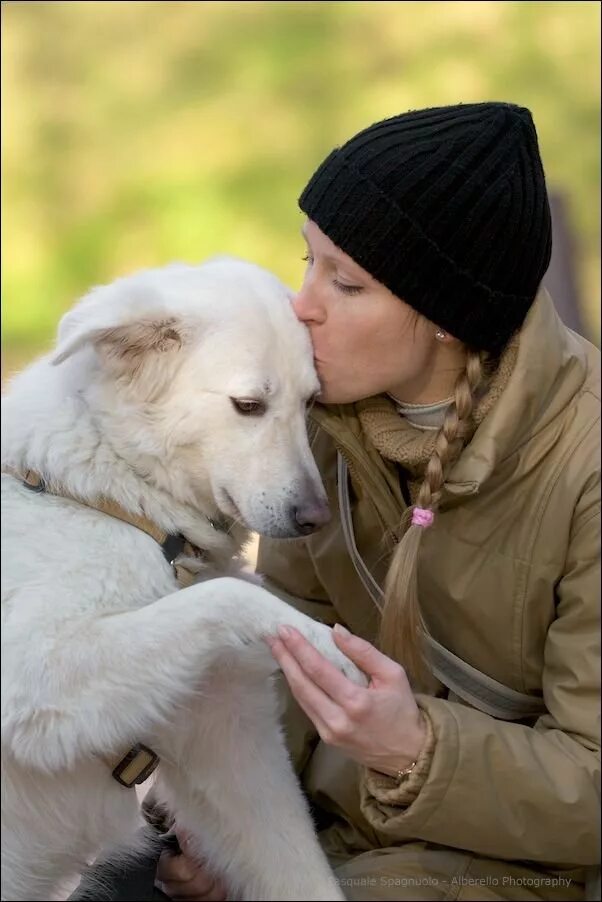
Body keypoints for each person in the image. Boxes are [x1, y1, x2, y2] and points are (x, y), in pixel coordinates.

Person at [144, 103, 599, 900]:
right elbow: (284, 634)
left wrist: (417, 749)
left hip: (522, 866)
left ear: (447, 320)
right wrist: (228, 831)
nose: (301, 304)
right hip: (335, 826)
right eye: (308, 262)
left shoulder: (586, 465)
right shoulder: (317, 418)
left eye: (346, 283)